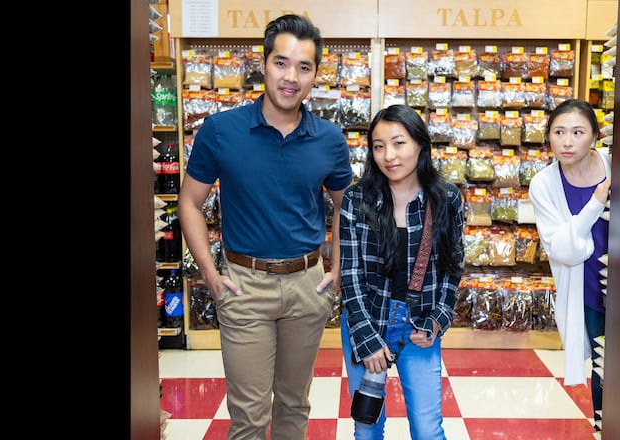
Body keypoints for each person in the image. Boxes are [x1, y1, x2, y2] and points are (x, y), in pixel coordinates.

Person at [177, 14, 354, 440]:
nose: (291, 77)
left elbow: (345, 207)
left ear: (315, 74)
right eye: (281, 63)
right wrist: (210, 274)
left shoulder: (329, 138)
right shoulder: (221, 130)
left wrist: (335, 269)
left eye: (304, 67)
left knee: (294, 406)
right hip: (243, 287)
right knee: (249, 418)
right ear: (264, 63)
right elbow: (189, 202)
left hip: (307, 287)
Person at [339, 104, 465, 439]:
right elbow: (350, 275)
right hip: (367, 319)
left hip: (419, 325)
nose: (388, 155)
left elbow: (453, 268)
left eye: (399, 143)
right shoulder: (356, 199)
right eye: (378, 146)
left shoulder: (447, 198)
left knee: (427, 429)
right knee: (367, 426)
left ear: (420, 145)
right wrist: (365, 339)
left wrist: (438, 319)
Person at [528, 98, 610, 435]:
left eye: (578, 132)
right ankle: (604, 425)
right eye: (559, 132)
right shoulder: (544, 184)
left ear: (594, 136)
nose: (568, 141)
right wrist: (596, 203)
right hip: (586, 287)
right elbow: (563, 249)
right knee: (603, 361)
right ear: (548, 136)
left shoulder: (617, 164)